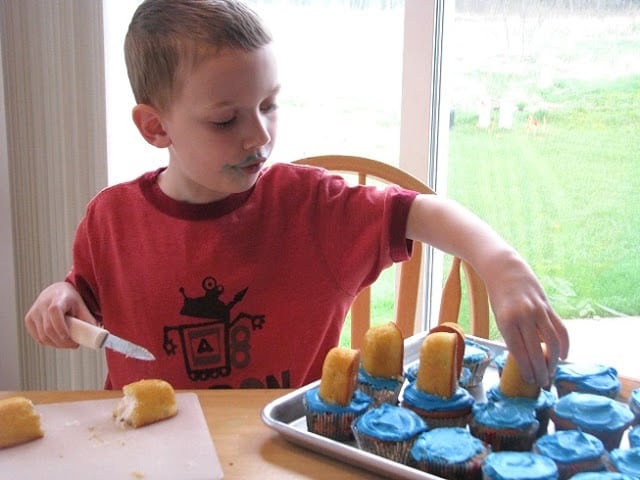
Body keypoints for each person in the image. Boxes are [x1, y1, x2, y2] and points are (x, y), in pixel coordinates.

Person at [24, 0, 569, 390]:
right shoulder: (111, 220)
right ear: (155, 127)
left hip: (285, 452)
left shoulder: (311, 211)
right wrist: (60, 300)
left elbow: (417, 212)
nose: (259, 134)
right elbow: (85, 299)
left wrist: (500, 262)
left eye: (269, 104)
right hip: (148, 454)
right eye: (225, 119)